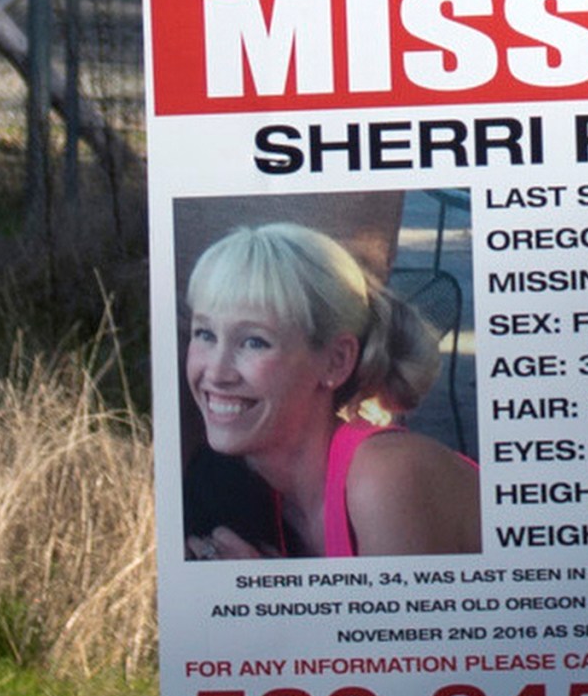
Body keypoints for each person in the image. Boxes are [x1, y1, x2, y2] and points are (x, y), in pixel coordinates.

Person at [181, 222, 481, 559]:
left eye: (254, 341)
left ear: (336, 362)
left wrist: (265, 598)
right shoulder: (229, 490)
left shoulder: (386, 477)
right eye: (205, 334)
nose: (217, 373)